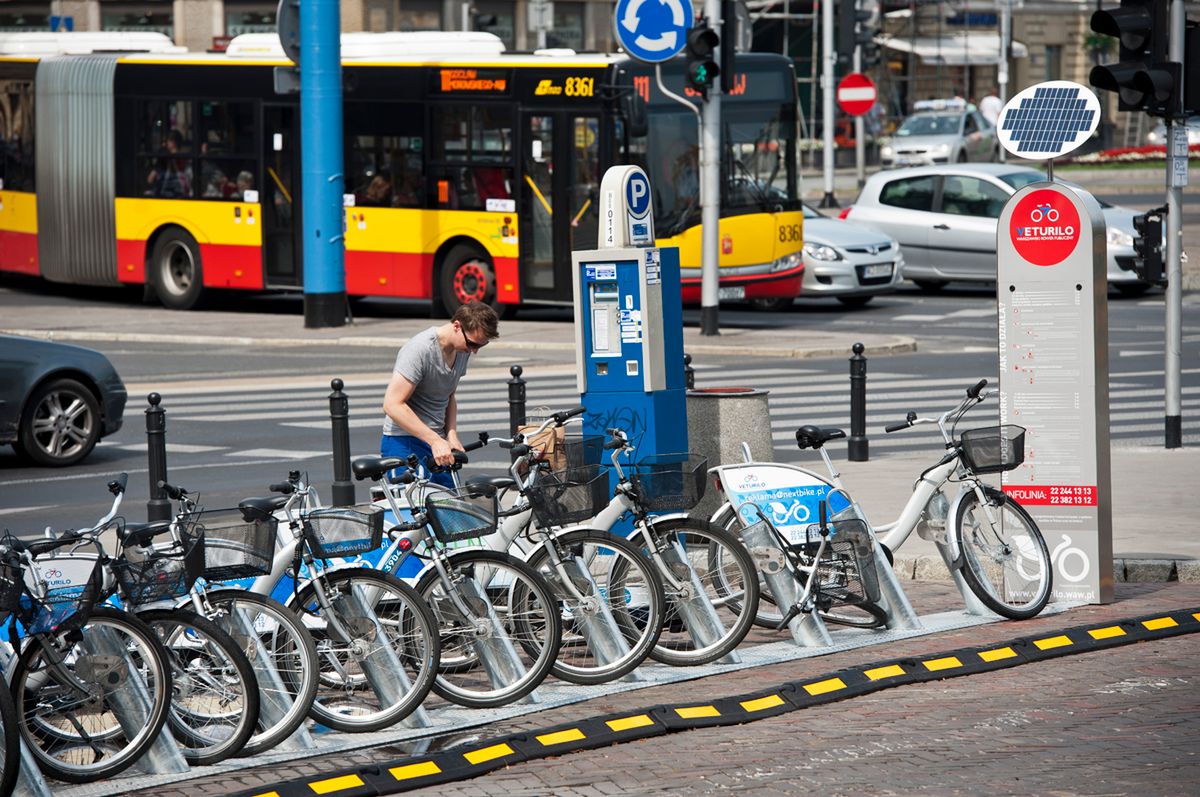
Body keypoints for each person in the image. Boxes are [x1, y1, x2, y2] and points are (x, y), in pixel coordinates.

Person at [381, 301, 501, 487]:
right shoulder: (420, 349)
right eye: (471, 343)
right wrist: (435, 440)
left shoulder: (462, 350)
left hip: (437, 442)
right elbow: (392, 404)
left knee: (450, 507)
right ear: (456, 326)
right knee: (415, 511)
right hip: (404, 441)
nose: (474, 351)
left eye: (481, 346)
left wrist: (451, 435)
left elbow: (449, 395)